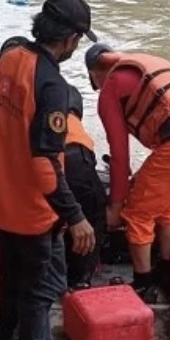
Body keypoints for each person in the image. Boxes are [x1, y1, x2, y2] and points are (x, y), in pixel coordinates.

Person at [0, 0, 98, 340]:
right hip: (33, 212)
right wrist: (74, 216)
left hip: (2, 203)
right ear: (71, 39)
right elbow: (45, 160)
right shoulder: (52, 86)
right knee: (40, 288)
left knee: (9, 280)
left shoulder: (6, 61)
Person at [83, 43, 170, 302]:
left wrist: (115, 206)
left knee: (136, 213)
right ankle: (165, 271)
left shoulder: (110, 88)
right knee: (168, 204)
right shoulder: (146, 65)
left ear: (95, 74)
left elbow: (120, 155)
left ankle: (143, 284)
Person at [62, 83, 108, 289]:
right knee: (94, 212)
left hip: (40, 164)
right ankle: (81, 279)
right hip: (74, 160)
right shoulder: (75, 128)